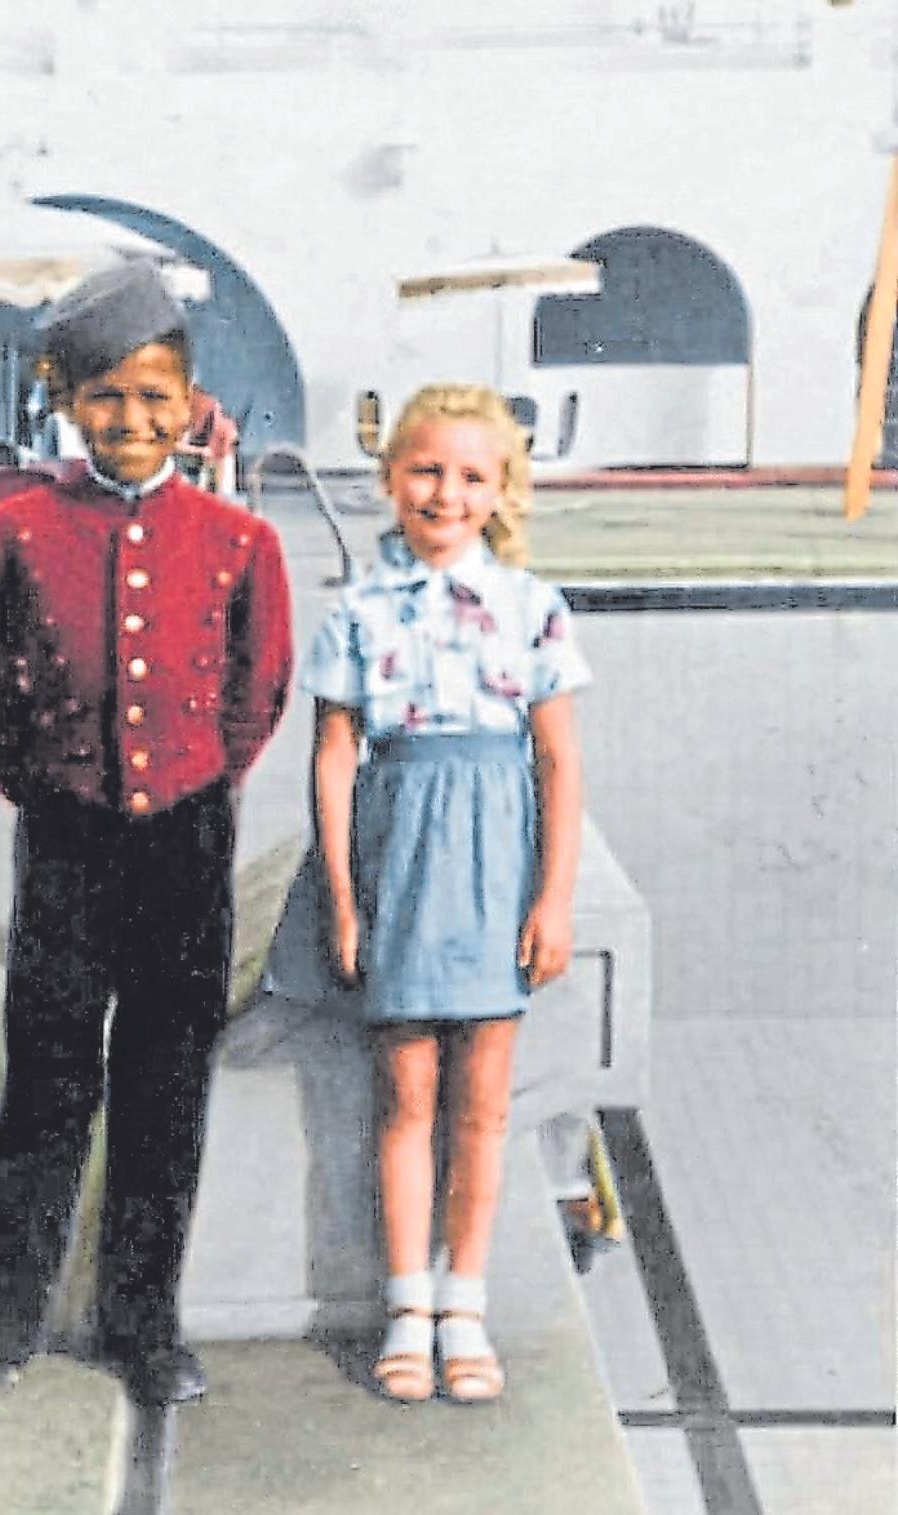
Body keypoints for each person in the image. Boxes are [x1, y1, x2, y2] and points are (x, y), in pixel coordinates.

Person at [0, 261, 293, 1416]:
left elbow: (259, 692)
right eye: (106, 399)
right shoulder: (13, 526)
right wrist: (52, 790)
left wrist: (189, 786)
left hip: (185, 842)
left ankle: (143, 1323)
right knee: (45, 1082)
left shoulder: (238, 541)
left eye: (155, 398)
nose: (131, 423)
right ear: (65, 402)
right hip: (68, 840)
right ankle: (2, 1323)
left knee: (164, 1084)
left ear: (190, 404)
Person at [272, 383, 590, 1403]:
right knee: (405, 1100)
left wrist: (553, 900)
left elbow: (559, 764)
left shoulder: (532, 608)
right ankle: (407, 1308)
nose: (444, 493)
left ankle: (467, 1307)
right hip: (398, 858)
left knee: (483, 1108)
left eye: (469, 475)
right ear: (390, 478)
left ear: (500, 490)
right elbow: (332, 756)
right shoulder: (360, 611)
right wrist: (344, 896)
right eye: (425, 471)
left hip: (496, 865)